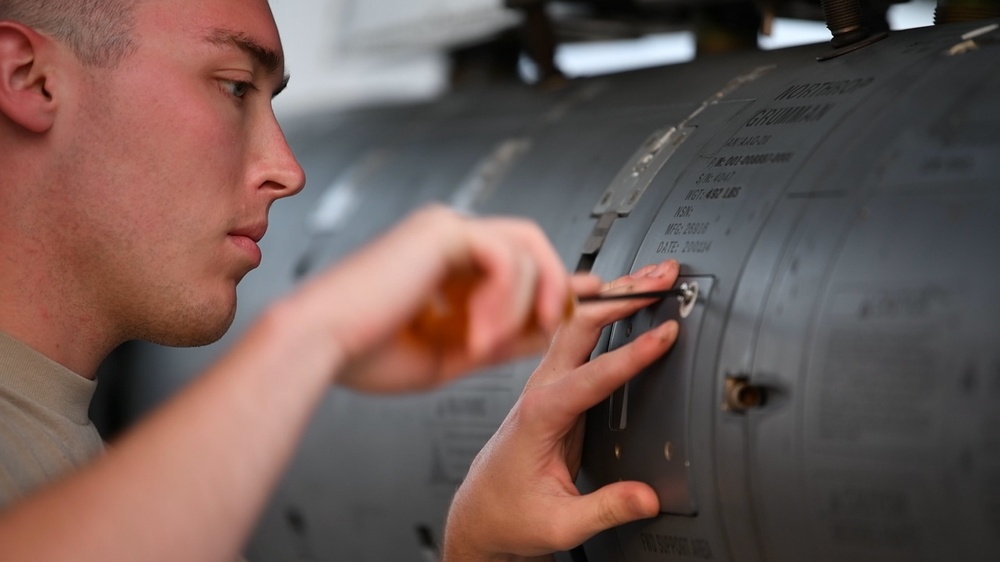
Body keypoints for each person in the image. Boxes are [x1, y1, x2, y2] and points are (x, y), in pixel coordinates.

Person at [0, 0, 678, 560]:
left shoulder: (65, 460)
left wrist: (478, 549)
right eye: (234, 86)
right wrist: (315, 336)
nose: (287, 170)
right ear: (30, 78)